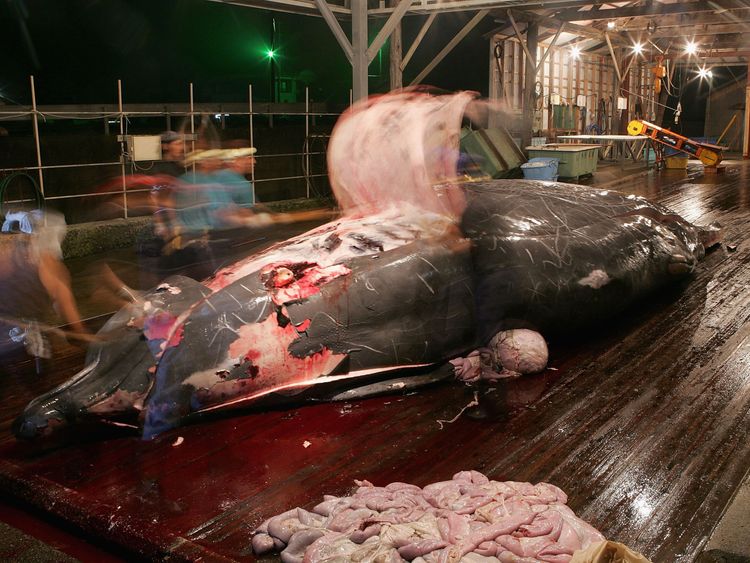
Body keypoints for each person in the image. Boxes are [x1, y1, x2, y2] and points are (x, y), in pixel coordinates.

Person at [0, 210, 88, 373]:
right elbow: (70, 315)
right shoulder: (53, 268)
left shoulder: (5, 255)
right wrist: (86, 339)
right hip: (28, 345)